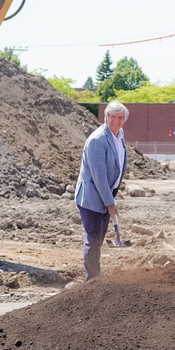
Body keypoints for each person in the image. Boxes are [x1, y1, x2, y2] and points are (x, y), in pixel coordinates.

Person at [74, 101, 129, 281]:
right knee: (93, 240)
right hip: (91, 197)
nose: (116, 121)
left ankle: (94, 279)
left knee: (98, 238)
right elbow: (99, 176)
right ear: (105, 118)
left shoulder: (119, 135)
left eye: (120, 117)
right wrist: (110, 204)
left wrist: (110, 198)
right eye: (112, 117)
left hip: (105, 195)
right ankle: (91, 281)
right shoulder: (98, 140)